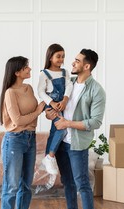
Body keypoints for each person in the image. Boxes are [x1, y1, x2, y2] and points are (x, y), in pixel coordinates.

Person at [46, 49, 106, 209]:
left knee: (82, 183)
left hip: (77, 143)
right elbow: (60, 107)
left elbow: (95, 122)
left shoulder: (96, 90)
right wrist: (51, 113)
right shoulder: (69, 84)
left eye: (77, 61)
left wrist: (68, 124)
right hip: (62, 140)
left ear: (87, 66)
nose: (72, 63)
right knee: (68, 180)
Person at [0, 56, 45, 209]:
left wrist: (41, 112)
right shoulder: (10, 92)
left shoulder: (29, 88)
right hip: (14, 140)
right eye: (26, 67)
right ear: (17, 72)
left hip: (30, 138)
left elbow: (30, 118)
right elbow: (17, 121)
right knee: (12, 183)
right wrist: (38, 112)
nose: (30, 69)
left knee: (26, 182)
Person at [38, 43, 73, 175]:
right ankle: (50, 156)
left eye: (63, 57)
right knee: (61, 128)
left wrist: (65, 99)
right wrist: (51, 103)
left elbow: (69, 86)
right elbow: (41, 92)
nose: (61, 59)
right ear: (50, 57)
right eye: (58, 56)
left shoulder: (65, 72)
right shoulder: (44, 74)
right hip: (52, 104)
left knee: (55, 130)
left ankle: (47, 157)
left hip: (63, 104)